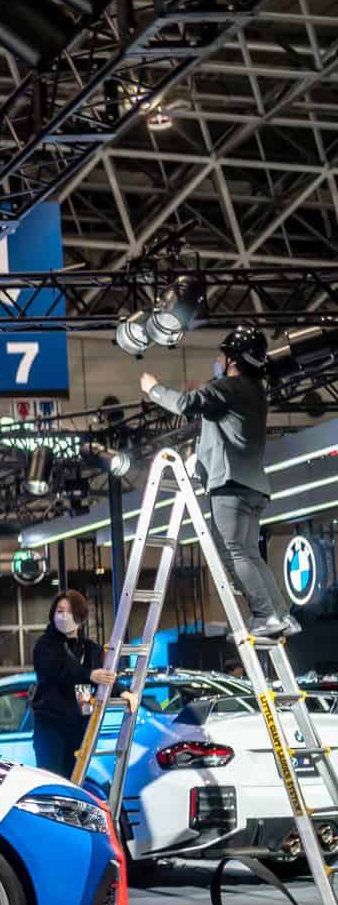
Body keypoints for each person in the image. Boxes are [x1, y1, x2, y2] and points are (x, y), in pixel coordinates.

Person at [142, 325, 296, 638]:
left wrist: (153, 389)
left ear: (232, 360)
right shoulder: (254, 392)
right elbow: (217, 417)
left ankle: (265, 615)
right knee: (250, 554)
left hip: (230, 484)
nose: (217, 360)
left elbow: (185, 403)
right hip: (253, 487)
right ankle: (282, 614)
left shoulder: (230, 387)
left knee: (232, 551)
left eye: (221, 356)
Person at [32, 589, 117, 779]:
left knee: (75, 781)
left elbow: (104, 676)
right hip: (51, 726)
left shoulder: (89, 648)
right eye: (59, 611)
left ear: (80, 617)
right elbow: (58, 671)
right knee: (53, 781)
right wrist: (89, 675)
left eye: (69, 612)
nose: (63, 616)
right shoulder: (45, 645)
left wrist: (124, 692)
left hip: (79, 725)